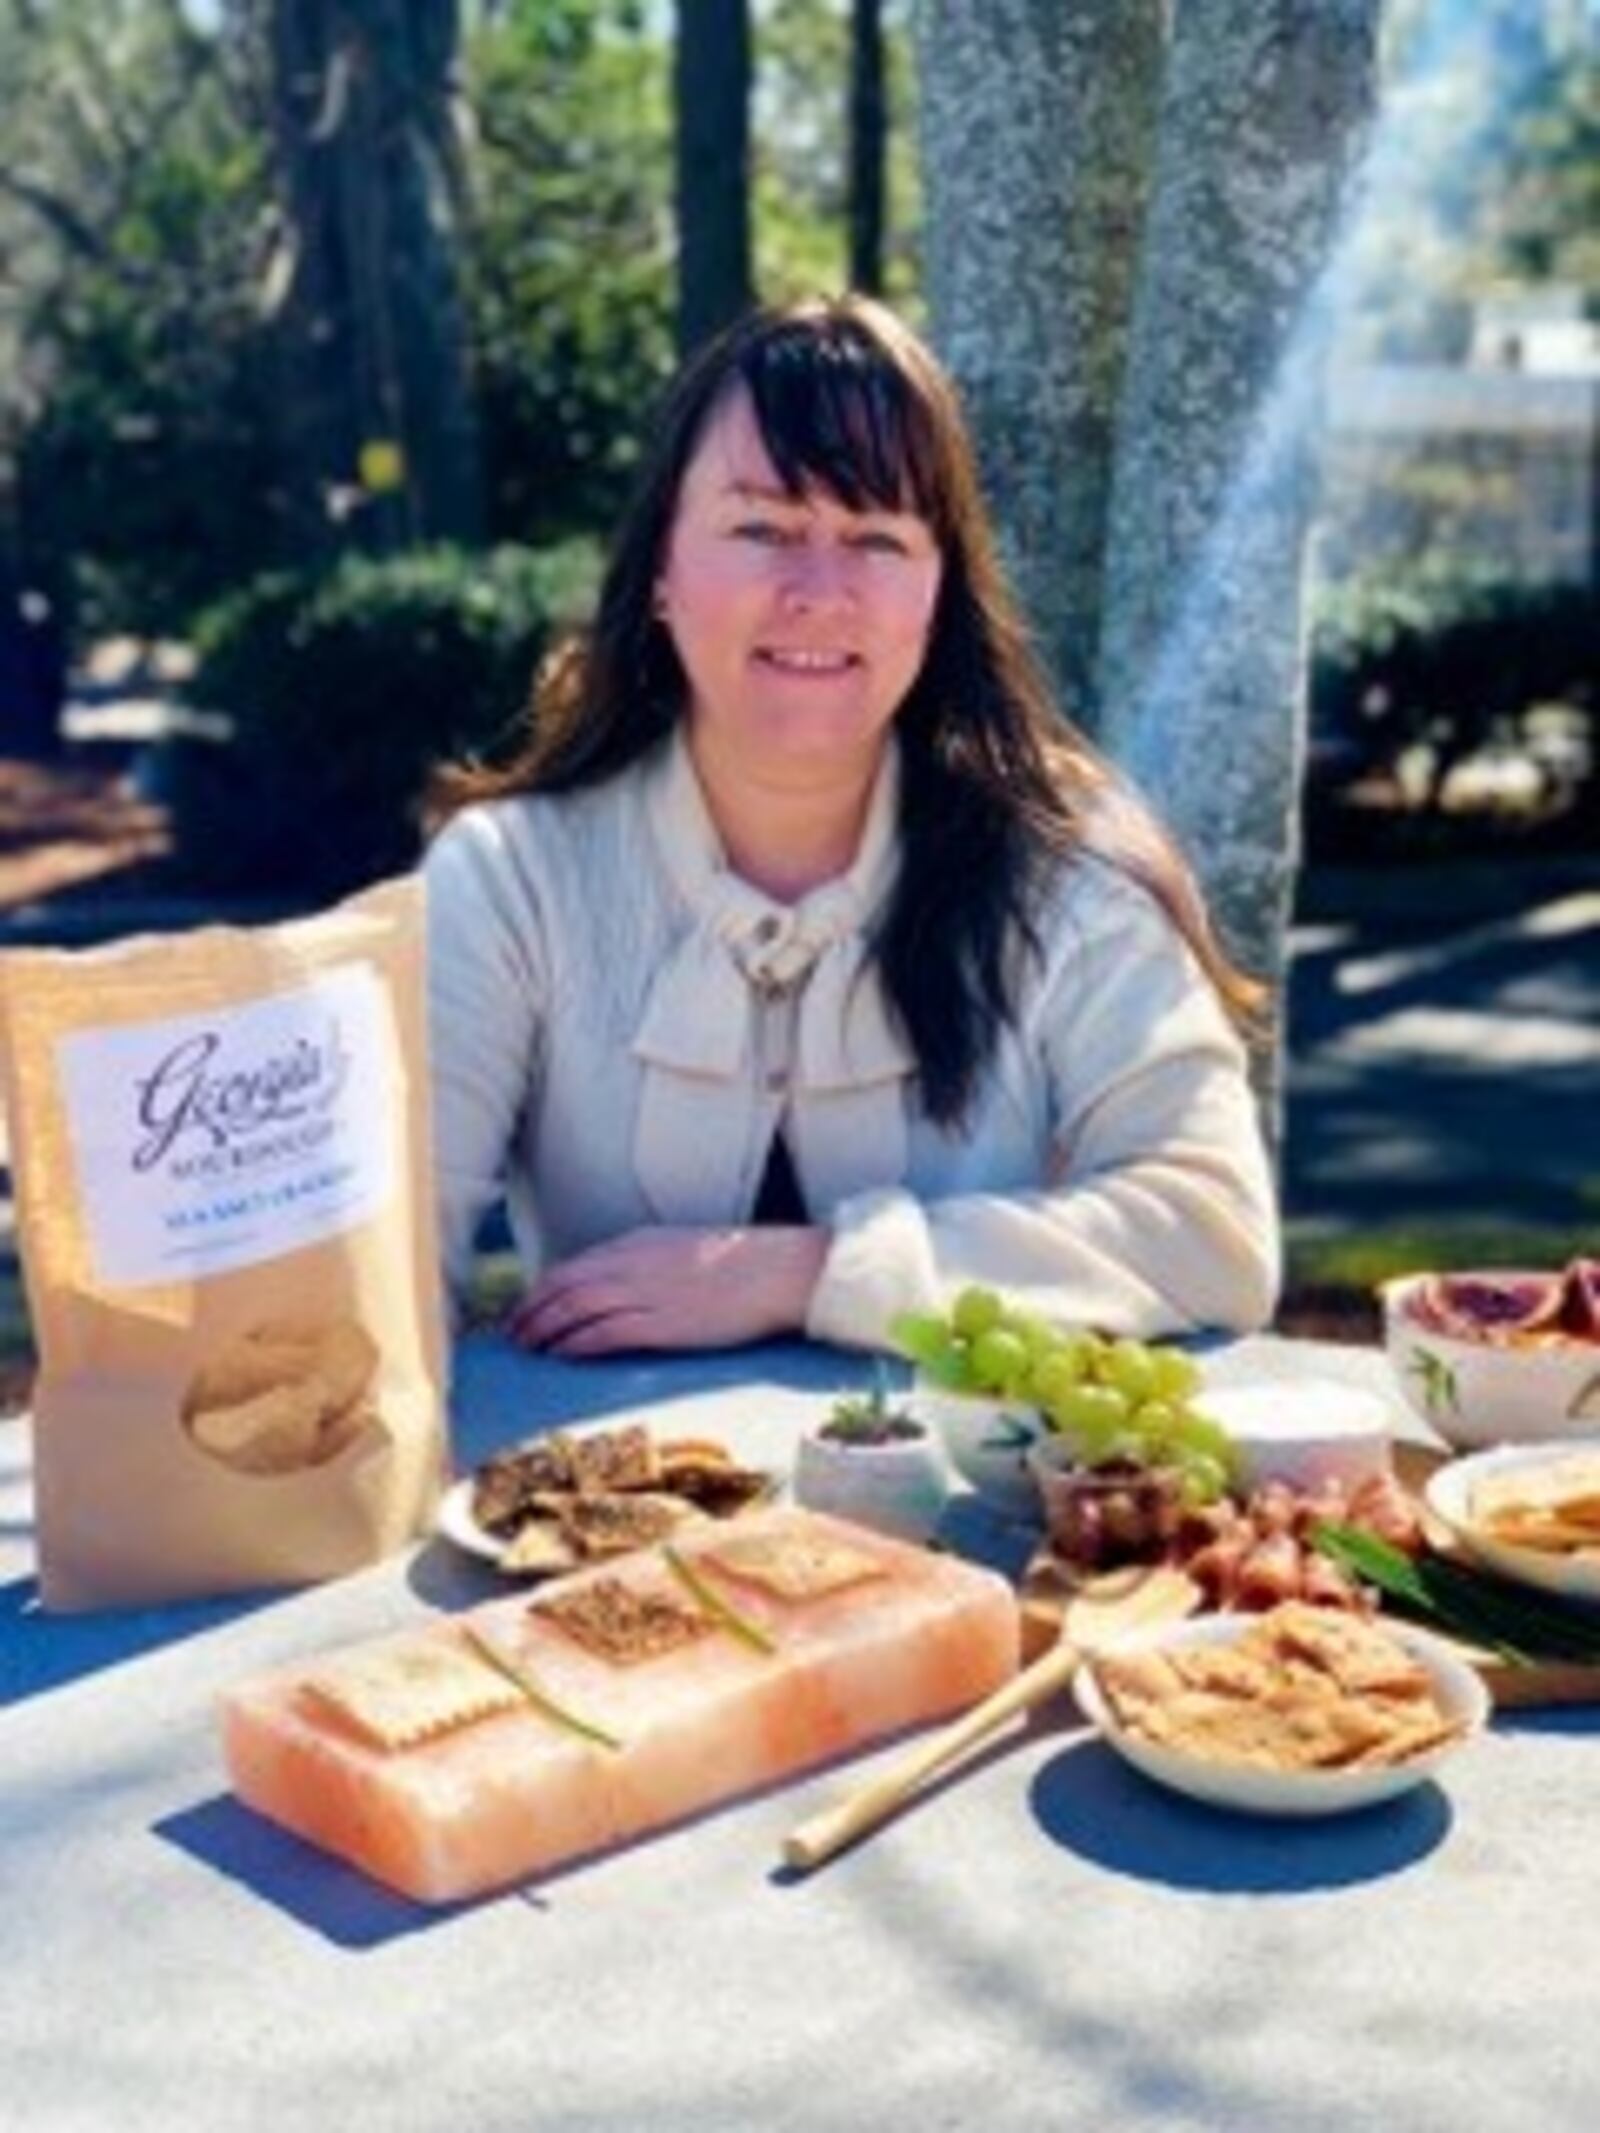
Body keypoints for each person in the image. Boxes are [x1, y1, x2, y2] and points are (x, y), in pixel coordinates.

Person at [424, 295, 1279, 1358]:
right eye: (760, 527)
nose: (817, 591)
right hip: (586, 1515)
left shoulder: (1064, 864)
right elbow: (395, 1264)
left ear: (938, 591)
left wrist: (804, 1272)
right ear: (657, 571)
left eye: (875, 538)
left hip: (975, 1516)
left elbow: (1217, 1233)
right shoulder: (508, 878)